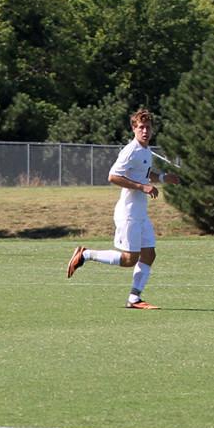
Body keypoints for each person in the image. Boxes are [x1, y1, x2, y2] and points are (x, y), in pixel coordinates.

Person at [67, 109, 180, 309]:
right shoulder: (131, 150)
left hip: (140, 213)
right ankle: (85, 254)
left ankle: (134, 298)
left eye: (148, 127)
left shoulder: (145, 150)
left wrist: (162, 178)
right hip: (128, 213)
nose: (145, 131)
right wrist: (142, 187)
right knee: (129, 259)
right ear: (134, 129)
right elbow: (113, 176)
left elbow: (144, 173)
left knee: (149, 254)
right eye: (141, 127)